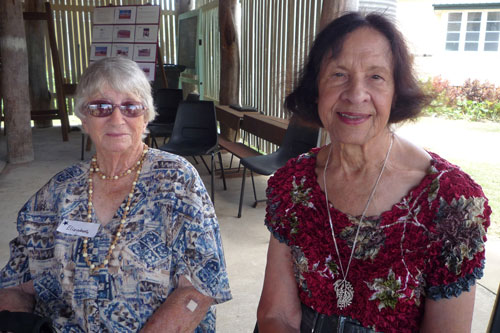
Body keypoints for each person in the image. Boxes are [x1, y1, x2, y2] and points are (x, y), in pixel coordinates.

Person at [257, 12, 490, 333]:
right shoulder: (292, 185)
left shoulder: (452, 202)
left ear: (397, 92)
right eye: (338, 74)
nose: (355, 94)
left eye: (376, 77)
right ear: (316, 89)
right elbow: (276, 316)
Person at [0, 57, 231, 332]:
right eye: (101, 107)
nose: (117, 118)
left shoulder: (177, 182)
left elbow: (199, 289)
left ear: (146, 117)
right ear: (84, 119)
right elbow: (18, 281)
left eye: (131, 107)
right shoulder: (57, 192)